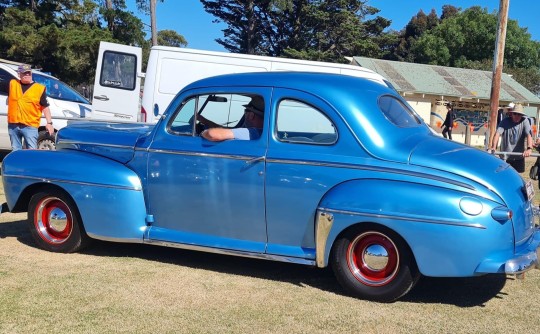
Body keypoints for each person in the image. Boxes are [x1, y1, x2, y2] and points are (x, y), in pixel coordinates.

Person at [7, 64, 54, 150]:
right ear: (19, 74)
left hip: (30, 126)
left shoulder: (39, 88)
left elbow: (45, 107)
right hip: (13, 125)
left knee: (31, 152)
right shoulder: (13, 84)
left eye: (29, 73)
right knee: (15, 151)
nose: (27, 75)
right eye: (24, 73)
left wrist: (49, 123)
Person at [489, 103, 533, 173]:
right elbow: (497, 134)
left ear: (522, 115)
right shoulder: (505, 121)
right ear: (511, 114)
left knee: (517, 177)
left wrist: (529, 148)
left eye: (519, 114)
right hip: (505, 156)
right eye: (515, 114)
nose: (517, 116)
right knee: (503, 175)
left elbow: (529, 135)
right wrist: (494, 147)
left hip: (518, 157)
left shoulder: (525, 121)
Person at [199, 96, 264, 142]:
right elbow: (228, 131)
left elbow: (212, 134)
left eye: (246, 111)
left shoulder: (252, 132)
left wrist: (202, 133)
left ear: (251, 115)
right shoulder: (264, 133)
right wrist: (204, 120)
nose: (245, 114)